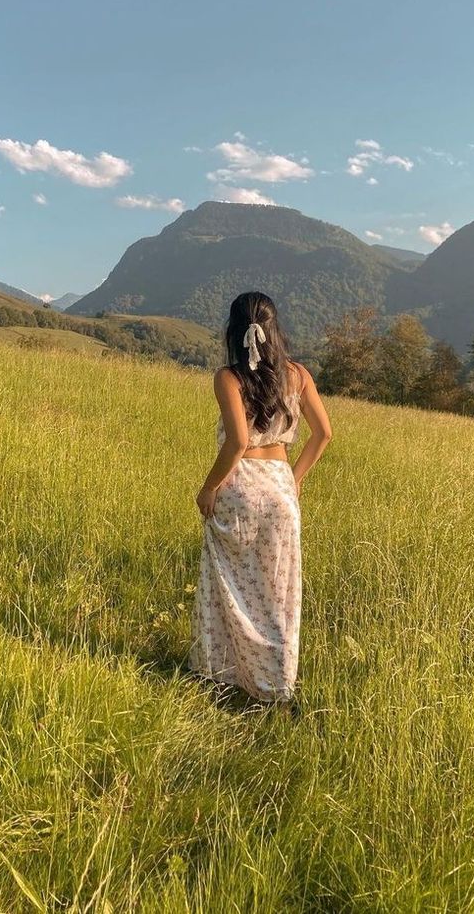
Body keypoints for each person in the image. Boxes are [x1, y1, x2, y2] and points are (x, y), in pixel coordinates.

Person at [187, 291, 333, 708]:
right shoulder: (298, 374)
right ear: (274, 329)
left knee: (226, 585)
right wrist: (296, 478)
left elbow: (237, 441)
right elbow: (323, 434)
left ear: (235, 331)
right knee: (278, 593)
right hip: (281, 489)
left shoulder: (228, 378)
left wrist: (209, 486)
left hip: (240, 487)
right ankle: (276, 686)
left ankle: (222, 676)